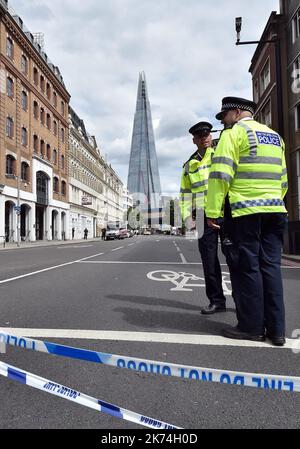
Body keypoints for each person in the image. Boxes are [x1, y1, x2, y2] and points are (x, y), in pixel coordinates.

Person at [206, 96, 288, 346]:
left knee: (246, 268)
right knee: (271, 267)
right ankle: (276, 330)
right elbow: (283, 178)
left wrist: (212, 211)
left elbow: (220, 175)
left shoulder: (233, 135)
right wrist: (273, 201)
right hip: (276, 211)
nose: (223, 121)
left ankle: (251, 327)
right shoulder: (275, 137)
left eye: (225, 116)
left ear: (237, 112)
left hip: (245, 212)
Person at [180, 121, 227, 314]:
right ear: (194, 140)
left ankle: (244, 303)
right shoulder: (188, 165)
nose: (205, 138)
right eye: (200, 136)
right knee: (209, 261)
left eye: (207, 134)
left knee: (236, 258)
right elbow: (184, 195)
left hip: (225, 212)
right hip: (201, 215)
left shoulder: (220, 155)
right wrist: (187, 219)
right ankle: (217, 301)